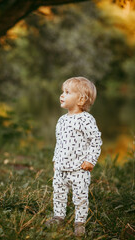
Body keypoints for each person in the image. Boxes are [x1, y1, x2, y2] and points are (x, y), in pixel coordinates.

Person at [45, 77, 102, 237]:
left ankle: (80, 222)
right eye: (63, 92)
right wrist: (56, 160)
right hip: (62, 167)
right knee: (58, 192)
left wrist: (90, 160)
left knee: (80, 196)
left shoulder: (86, 119)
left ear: (81, 99)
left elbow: (95, 141)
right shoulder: (62, 120)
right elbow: (60, 142)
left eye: (67, 92)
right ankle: (59, 216)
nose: (62, 95)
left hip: (79, 168)